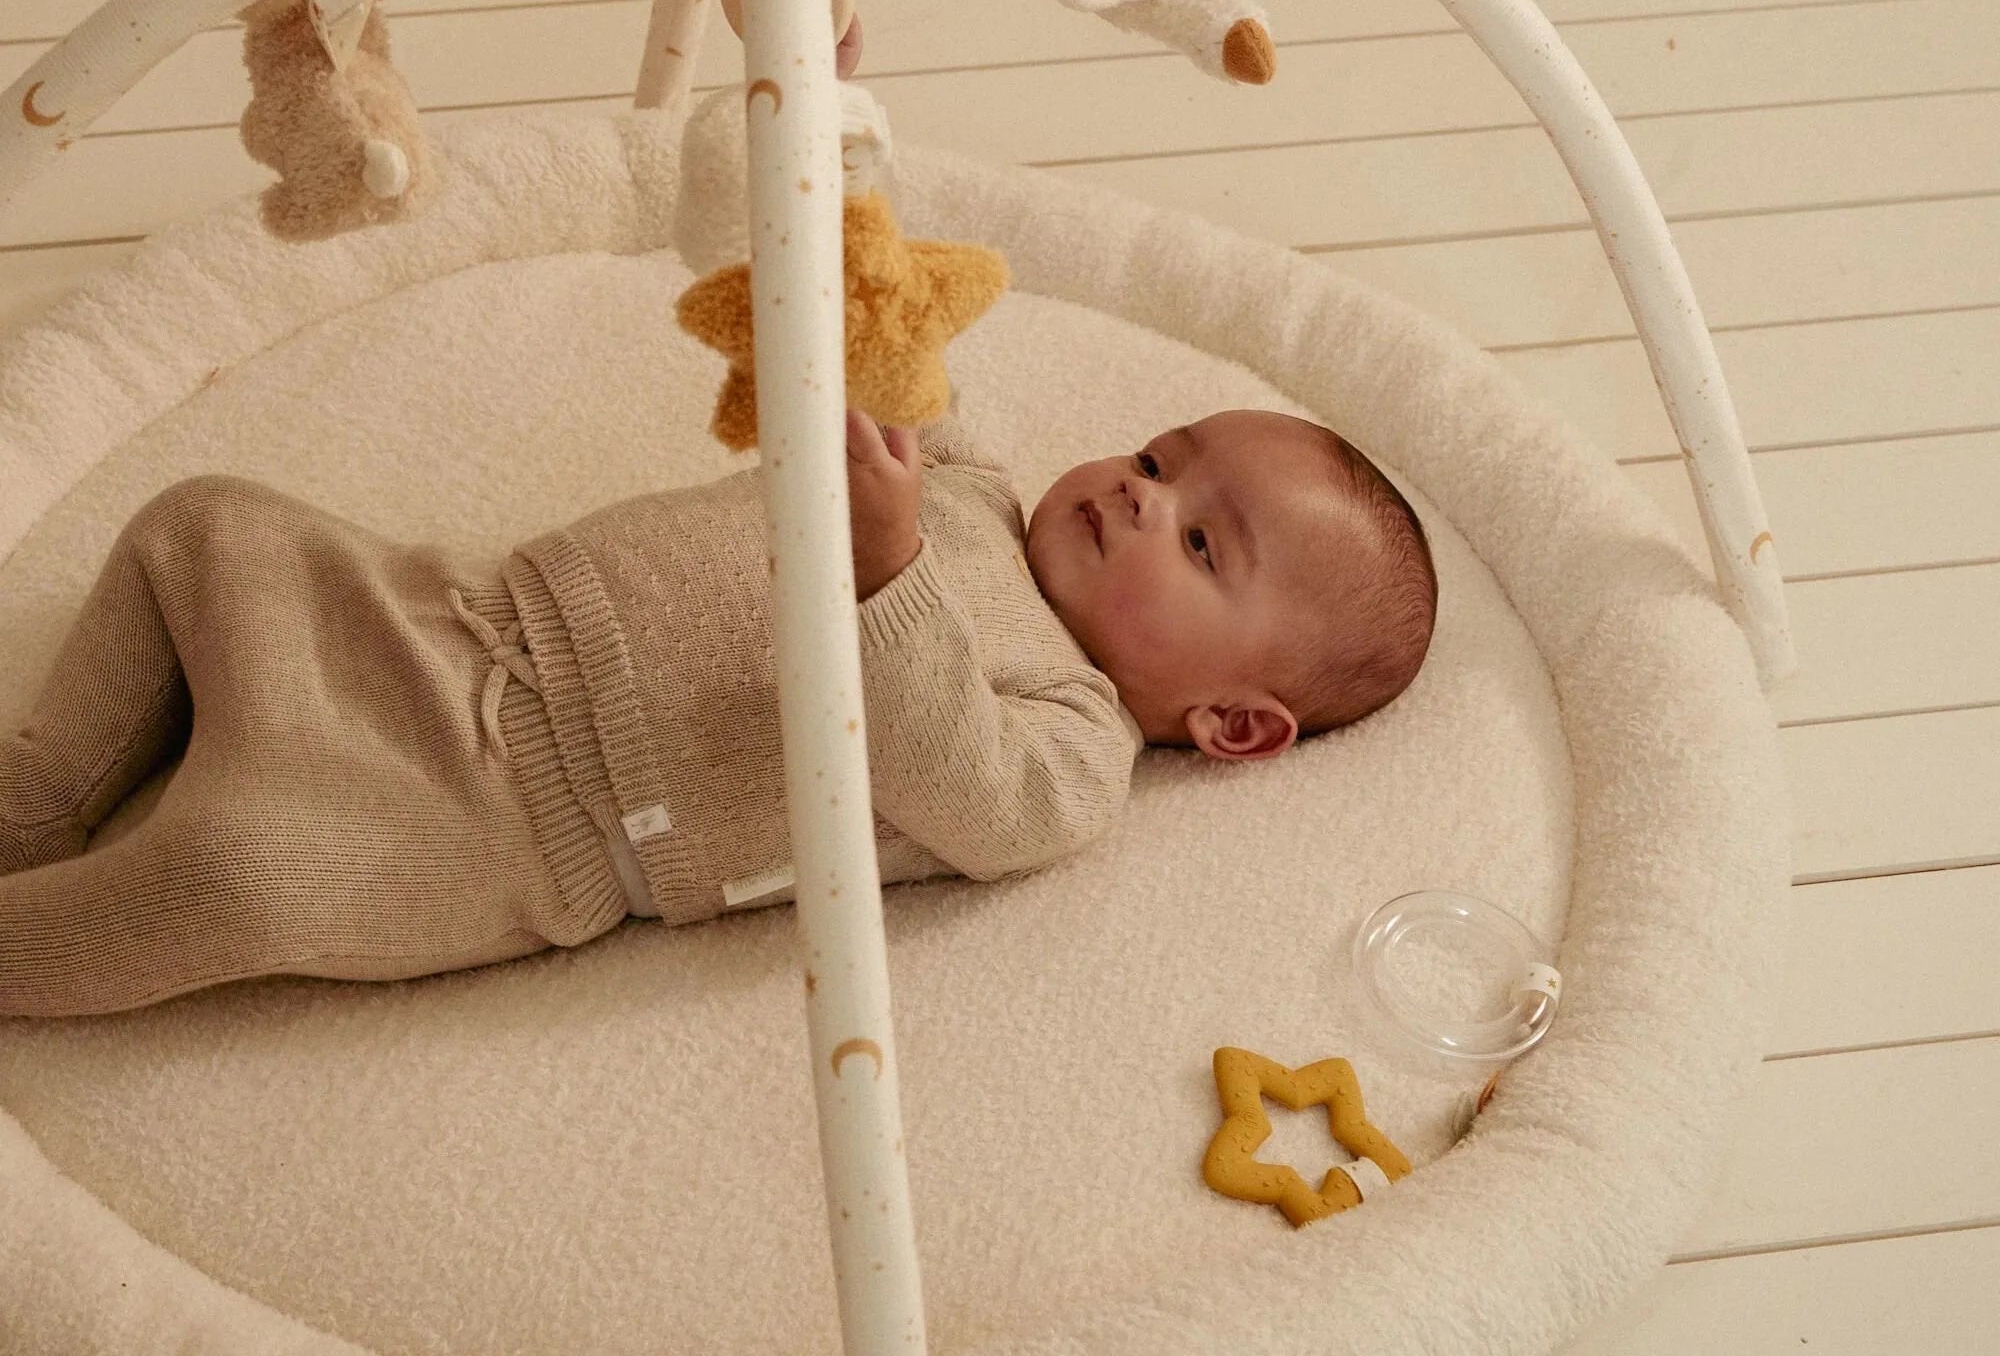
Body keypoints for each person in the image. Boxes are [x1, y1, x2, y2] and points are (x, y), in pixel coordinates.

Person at [0, 405, 1436, 1018]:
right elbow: (882, 315)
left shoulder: (1070, 748)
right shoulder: (972, 482)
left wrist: (885, 567)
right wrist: (834, 111)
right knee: (205, 524)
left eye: (1202, 543)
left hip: (498, 819)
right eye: (1159, 458)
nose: (1139, 493)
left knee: (239, 876)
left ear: (1233, 725)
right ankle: (43, 789)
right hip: (442, 614)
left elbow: (947, 772)